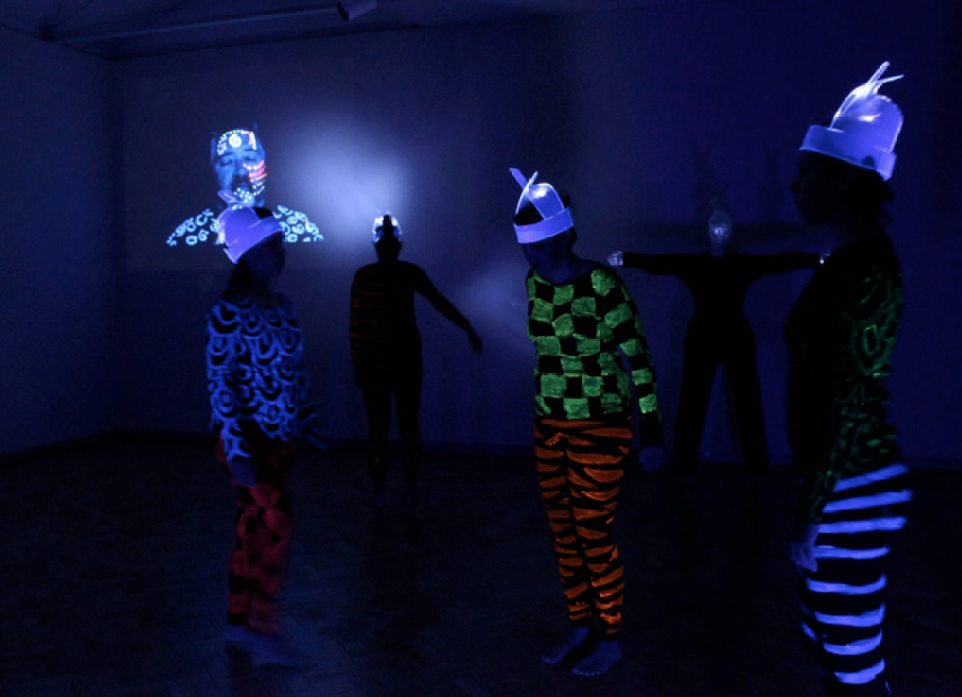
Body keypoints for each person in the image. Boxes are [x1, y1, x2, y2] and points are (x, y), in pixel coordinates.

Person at [784, 63, 912, 696]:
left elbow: (849, 395)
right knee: (833, 640)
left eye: (806, 172)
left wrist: (815, 507)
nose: (794, 184)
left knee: (849, 655)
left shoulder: (861, 269)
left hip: (851, 483)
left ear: (841, 180)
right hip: (846, 480)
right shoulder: (853, 261)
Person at [510, 168, 664, 677]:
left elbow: (638, 358)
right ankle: (581, 626)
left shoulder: (602, 284)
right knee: (564, 532)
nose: (530, 254)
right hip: (549, 423)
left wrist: (652, 431)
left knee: (593, 532)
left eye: (537, 243)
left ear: (562, 234)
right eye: (525, 245)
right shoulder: (534, 283)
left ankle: (610, 639)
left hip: (602, 423)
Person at [608, 201, 818, 478]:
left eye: (723, 227)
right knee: (702, 402)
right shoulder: (713, 264)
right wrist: (628, 258)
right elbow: (662, 263)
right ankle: (694, 467)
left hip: (722, 338)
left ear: (729, 231)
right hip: (712, 338)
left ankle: (744, 468)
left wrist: (814, 259)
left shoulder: (729, 264)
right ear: (709, 230)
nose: (719, 232)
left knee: (737, 402)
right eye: (715, 226)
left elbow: (778, 262)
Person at [206, 192, 321, 667]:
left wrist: (307, 418)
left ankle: (239, 623)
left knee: (252, 528)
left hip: (281, 439)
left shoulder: (283, 306)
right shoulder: (227, 312)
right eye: (272, 245)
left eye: (280, 243)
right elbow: (220, 384)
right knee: (276, 524)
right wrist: (236, 449)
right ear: (247, 253)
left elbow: (296, 370)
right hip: (248, 440)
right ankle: (262, 630)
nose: (281, 252)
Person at [349, 213, 482, 507]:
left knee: (380, 428)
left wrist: (357, 361)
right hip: (403, 356)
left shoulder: (365, 276)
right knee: (407, 425)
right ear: (399, 244)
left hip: (377, 358)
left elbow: (356, 323)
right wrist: (467, 327)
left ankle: (381, 488)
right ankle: (406, 487)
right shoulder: (408, 272)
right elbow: (438, 302)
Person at [166, 127, 321, 248]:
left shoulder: (299, 228)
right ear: (214, 170)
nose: (240, 171)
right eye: (227, 162)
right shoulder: (189, 235)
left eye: (250, 158)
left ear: (266, 163)